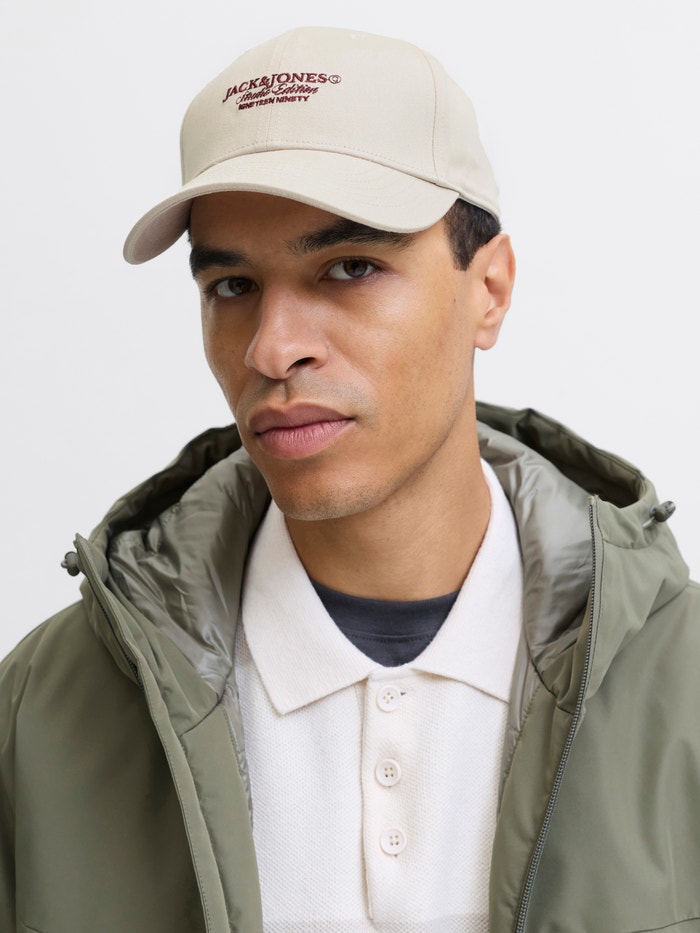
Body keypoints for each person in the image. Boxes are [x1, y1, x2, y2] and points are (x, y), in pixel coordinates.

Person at [0, 24, 698, 933]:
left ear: (489, 289)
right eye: (232, 285)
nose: (272, 347)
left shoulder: (682, 685)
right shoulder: (40, 712)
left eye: (350, 267)